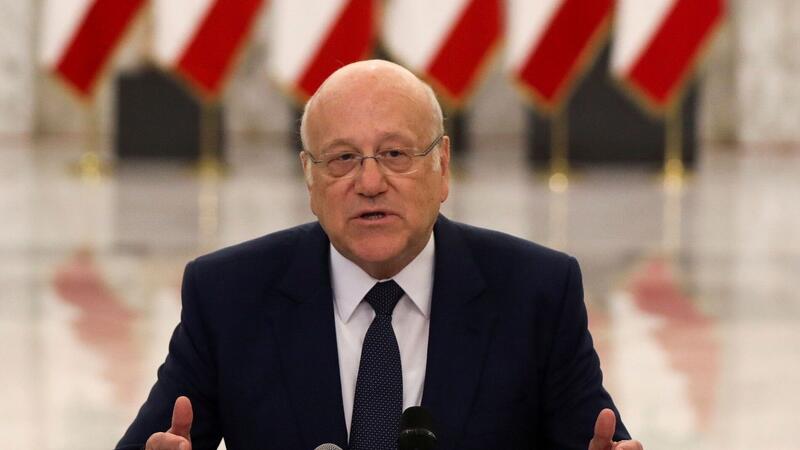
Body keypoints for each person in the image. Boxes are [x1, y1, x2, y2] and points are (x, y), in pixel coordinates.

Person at [117, 60, 643, 450]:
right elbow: (160, 439)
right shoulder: (228, 295)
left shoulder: (537, 293)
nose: (370, 182)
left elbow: (599, 441)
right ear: (309, 177)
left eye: (395, 154)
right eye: (343, 158)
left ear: (442, 165)